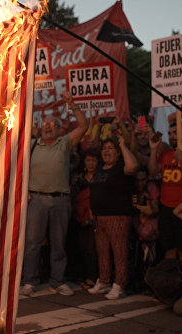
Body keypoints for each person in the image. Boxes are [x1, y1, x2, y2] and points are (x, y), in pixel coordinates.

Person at [20, 91, 87, 297]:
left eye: (52, 125)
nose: (47, 128)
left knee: (59, 244)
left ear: (59, 130)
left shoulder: (64, 144)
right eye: (45, 125)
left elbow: (84, 127)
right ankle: (30, 281)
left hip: (60, 201)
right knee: (32, 243)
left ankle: (57, 281)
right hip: (36, 200)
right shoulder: (31, 145)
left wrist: (72, 104)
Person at [87, 136, 139, 299]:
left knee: (119, 252)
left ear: (118, 153)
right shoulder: (102, 169)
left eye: (111, 148)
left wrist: (123, 145)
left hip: (118, 216)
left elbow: (134, 167)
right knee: (102, 251)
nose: (106, 151)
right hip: (99, 217)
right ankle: (104, 281)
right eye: (104, 149)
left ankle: (120, 284)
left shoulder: (122, 167)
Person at [148, 123, 182, 261]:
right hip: (166, 208)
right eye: (170, 133)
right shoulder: (166, 154)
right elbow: (153, 172)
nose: (172, 136)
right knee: (169, 250)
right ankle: (171, 279)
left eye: (175, 133)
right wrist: (154, 150)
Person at [70, 147, 100, 289]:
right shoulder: (78, 178)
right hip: (79, 216)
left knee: (92, 248)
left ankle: (92, 276)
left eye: (94, 160)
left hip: (95, 217)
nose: (91, 163)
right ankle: (80, 275)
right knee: (80, 246)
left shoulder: (101, 177)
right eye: (88, 160)